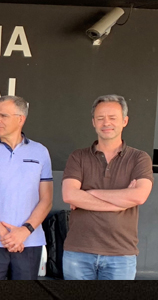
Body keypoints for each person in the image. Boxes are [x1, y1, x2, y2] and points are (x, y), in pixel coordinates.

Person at [61, 94, 154, 280]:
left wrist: (89, 193)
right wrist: (121, 202)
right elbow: (69, 195)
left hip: (121, 254)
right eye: (100, 118)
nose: (106, 123)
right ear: (93, 122)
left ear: (124, 121)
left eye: (113, 118)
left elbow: (139, 196)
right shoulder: (78, 157)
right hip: (78, 252)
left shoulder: (139, 158)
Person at [0, 95, 53, 280]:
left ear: (21, 119)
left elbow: (46, 199)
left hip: (29, 242)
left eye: (3, 115)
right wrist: (7, 236)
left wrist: (24, 231)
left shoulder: (41, 152)